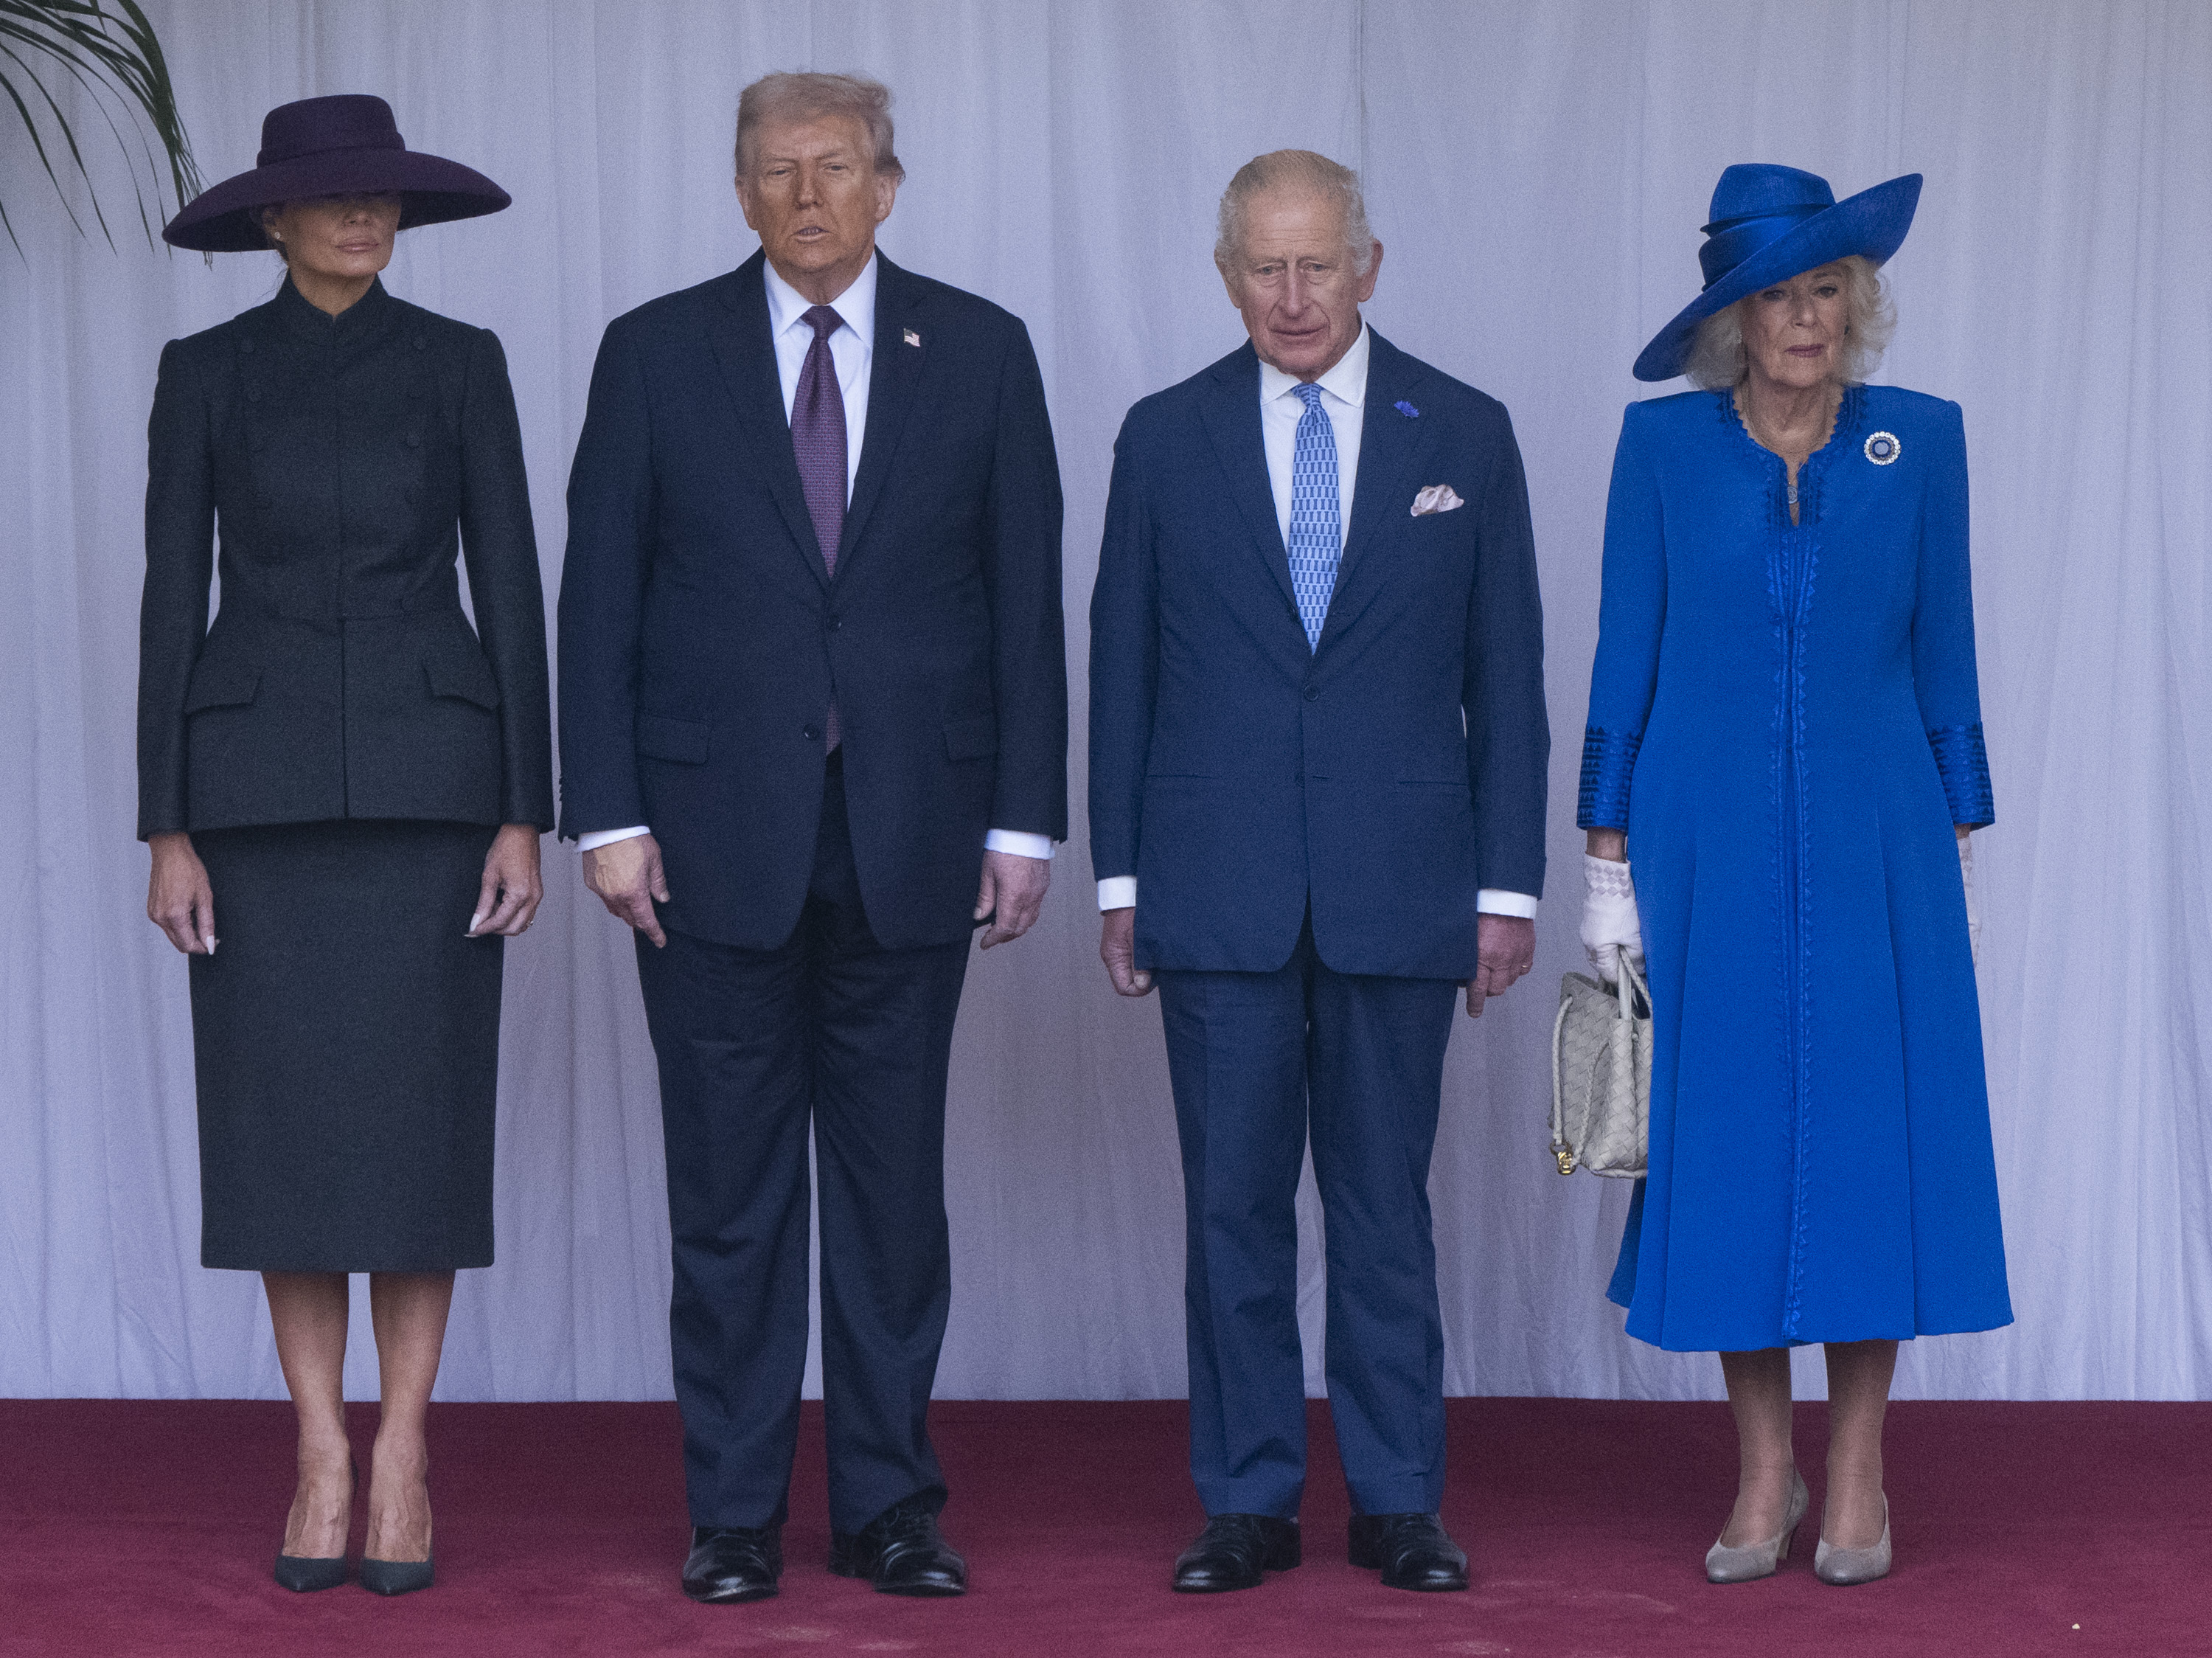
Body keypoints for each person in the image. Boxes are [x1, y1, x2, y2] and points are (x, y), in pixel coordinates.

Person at [558, 72, 1066, 1604]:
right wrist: (612, 817)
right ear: (739, 192)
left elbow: (1023, 600)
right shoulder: (655, 353)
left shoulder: (979, 350)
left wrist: (1026, 820)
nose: (805, 194)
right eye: (775, 170)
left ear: (888, 186)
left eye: (834, 166)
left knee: (893, 1200)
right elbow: (600, 600)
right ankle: (730, 1513)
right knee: (728, 1198)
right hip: (707, 844)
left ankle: (889, 1505)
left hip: (914, 829)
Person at [1089, 150, 1549, 1595]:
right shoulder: (1164, 437)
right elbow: (1121, 671)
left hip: (1402, 881)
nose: (1291, 296)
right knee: (1227, 1200)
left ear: (1370, 263)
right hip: (1213, 880)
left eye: (1316, 264)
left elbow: (1510, 679)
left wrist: (1506, 886)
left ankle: (1400, 1494)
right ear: (1226, 273)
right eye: (1262, 268)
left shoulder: (1464, 433)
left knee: (1381, 1203)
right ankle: (1247, 1498)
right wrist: (1119, 877)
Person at [1579, 164, 2011, 1586]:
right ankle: (1763, 1472)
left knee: (1868, 1148)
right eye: (1777, 293)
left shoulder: (1923, 442)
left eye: (1827, 288)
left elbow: (1942, 644)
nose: (1805, 317)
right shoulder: (1661, 452)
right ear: (1733, 319)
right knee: (1735, 1146)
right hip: (1704, 845)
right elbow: (1622, 660)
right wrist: (1608, 866)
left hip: (1880, 841)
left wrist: (1958, 822)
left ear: (1857, 304)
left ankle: (1863, 1468)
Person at [143, 95, 552, 1596]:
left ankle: (404, 1446)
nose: (364, 219)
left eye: (382, 199)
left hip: (432, 798)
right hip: (249, 808)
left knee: (415, 1131)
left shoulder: (460, 365)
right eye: (333, 200)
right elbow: (163, 603)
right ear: (274, 219)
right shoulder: (206, 374)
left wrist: (526, 803)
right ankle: (319, 1444)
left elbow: (511, 583)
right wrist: (165, 822)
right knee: (285, 1140)